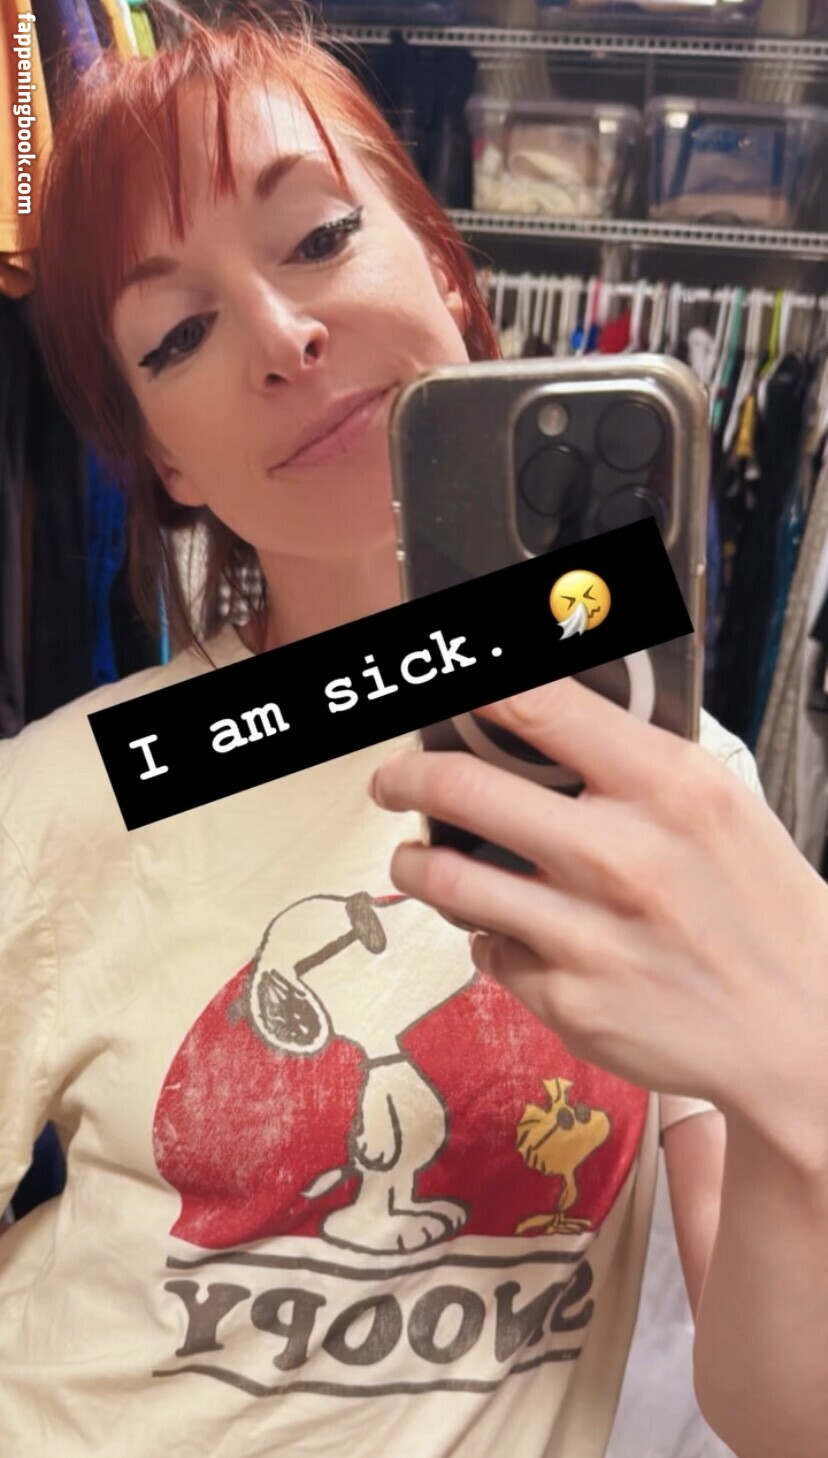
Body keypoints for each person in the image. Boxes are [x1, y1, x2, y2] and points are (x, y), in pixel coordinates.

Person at [0, 7, 824, 1457]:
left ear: (443, 262)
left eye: (319, 237)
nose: (282, 338)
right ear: (163, 455)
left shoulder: (671, 785)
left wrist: (801, 1062)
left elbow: (782, 1414)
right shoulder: (72, 792)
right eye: (178, 333)